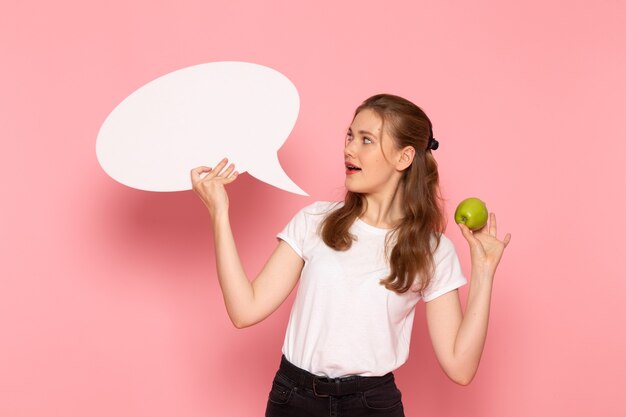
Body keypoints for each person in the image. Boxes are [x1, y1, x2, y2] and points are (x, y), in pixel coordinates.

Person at [190, 94, 511, 417]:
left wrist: (483, 272)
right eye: (350, 136)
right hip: (294, 399)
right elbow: (244, 310)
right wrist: (220, 213)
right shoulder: (315, 220)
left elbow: (460, 368)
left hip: (371, 405)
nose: (349, 149)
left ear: (404, 157)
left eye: (366, 140)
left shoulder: (432, 250)